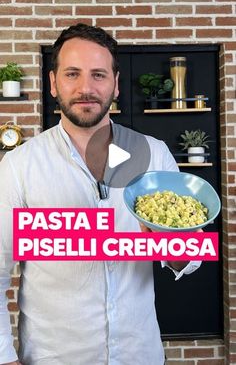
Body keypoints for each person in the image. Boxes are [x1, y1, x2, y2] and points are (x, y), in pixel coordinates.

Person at [0, 23, 201, 365]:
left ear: (116, 84)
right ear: (53, 83)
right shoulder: (19, 166)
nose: (85, 88)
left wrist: (171, 243)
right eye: (72, 74)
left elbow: (190, 257)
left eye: (98, 74)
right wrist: (5, 357)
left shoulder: (155, 154)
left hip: (140, 354)